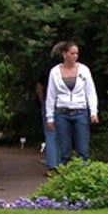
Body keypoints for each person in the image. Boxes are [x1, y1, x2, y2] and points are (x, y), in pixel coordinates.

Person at [45, 42, 99, 164]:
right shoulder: (55, 72)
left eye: (77, 53)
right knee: (64, 151)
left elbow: (90, 92)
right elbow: (51, 95)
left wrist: (93, 112)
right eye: (72, 53)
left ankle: (83, 178)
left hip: (80, 111)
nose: (75, 56)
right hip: (62, 113)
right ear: (64, 54)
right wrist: (50, 117)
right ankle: (66, 178)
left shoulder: (84, 70)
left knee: (83, 150)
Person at [35, 42, 64, 174]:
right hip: (65, 105)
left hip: (49, 103)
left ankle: (52, 165)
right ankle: (63, 165)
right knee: (64, 134)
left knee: (51, 135)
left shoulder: (45, 66)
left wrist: (43, 103)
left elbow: (39, 87)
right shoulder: (70, 67)